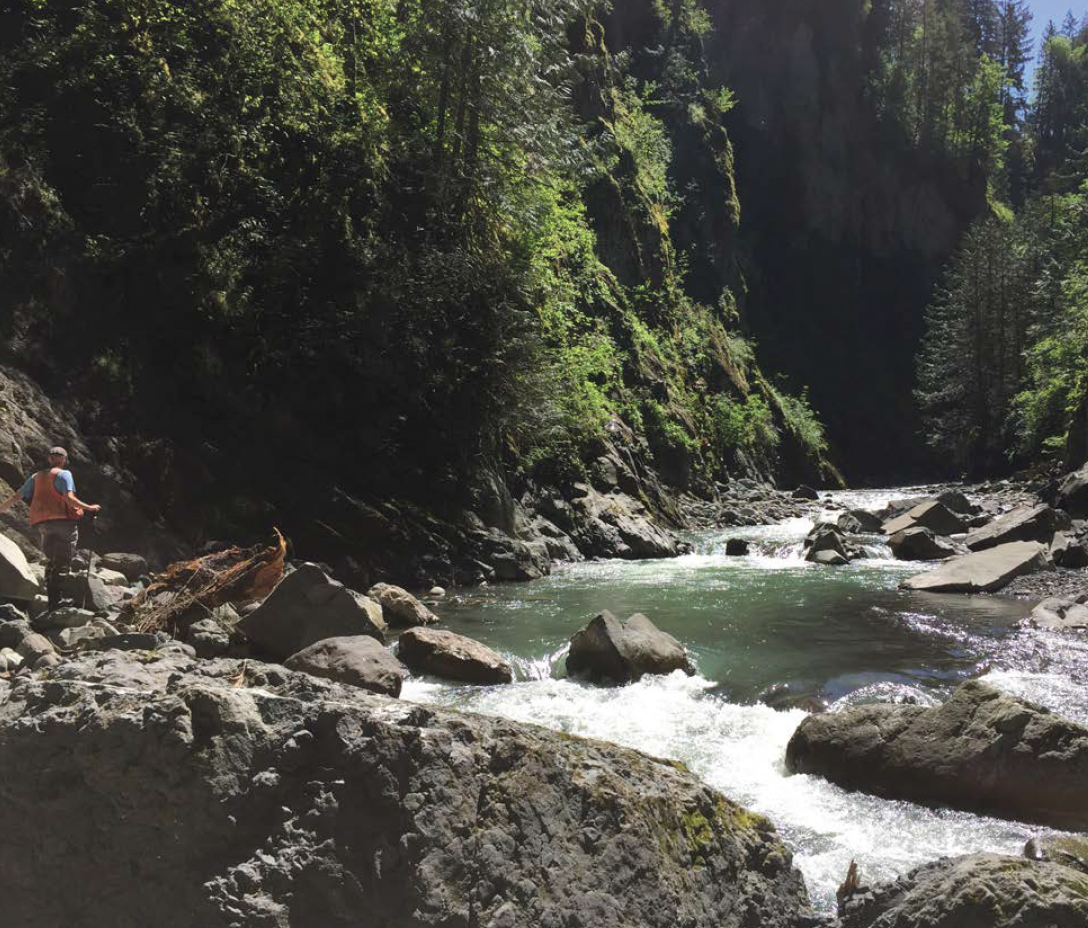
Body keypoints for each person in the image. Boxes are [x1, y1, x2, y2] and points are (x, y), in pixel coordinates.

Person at [0, 446, 101, 609]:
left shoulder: (36, 477)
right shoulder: (64, 474)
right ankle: (55, 601)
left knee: (51, 559)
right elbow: (69, 499)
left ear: (49, 459)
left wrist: (0, 509)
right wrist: (90, 508)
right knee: (62, 561)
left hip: (42, 525)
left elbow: (16, 496)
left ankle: (51, 597)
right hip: (63, 523)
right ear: (64, 459)